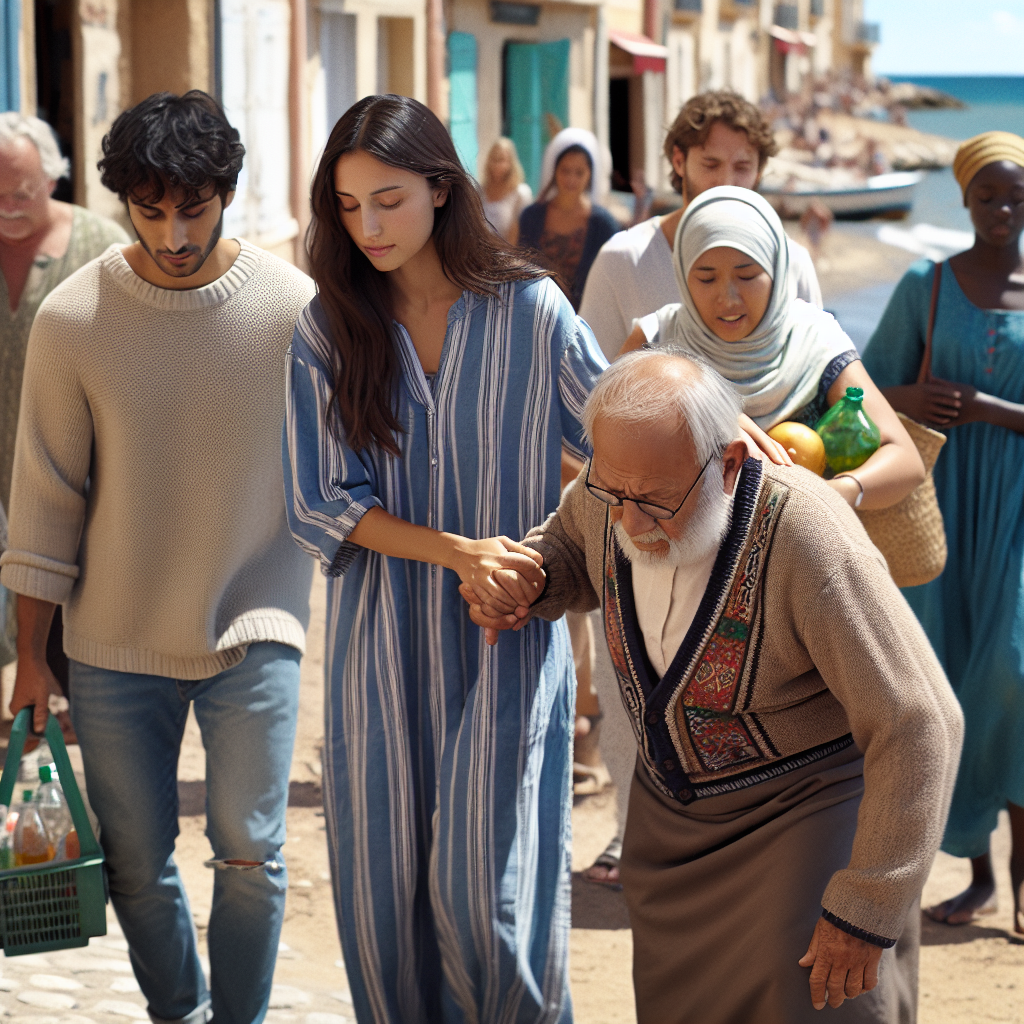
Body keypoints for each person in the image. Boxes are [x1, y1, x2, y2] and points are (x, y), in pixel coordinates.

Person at [463, 350, 963, 1023]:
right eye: (614, 492)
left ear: (729, 463)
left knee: (812, 1000)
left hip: (804, 815)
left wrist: (869, 904)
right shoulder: (610, 493)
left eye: (656, 502)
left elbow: (920, 719)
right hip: (671, 826)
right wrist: (529, 581)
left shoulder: (808, 534)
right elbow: (569, 549)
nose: (631, 522)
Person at [283, 94, 607, 1023]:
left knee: (488, 896)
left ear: (438, 186)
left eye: (387, 199)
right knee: (385, 904)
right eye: (348, 207)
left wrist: (724, 431)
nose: (369, 226)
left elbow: (618, 434)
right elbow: (317, 499)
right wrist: (456, 551)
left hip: (507, 640)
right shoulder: (326, 329)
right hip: (380, 652)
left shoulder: (532, 310)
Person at [0, 91, 315, 1024]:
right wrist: (30, 658)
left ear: (227, 194)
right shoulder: (75, 318)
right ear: (123, 203)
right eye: (151, 209)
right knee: (134, 864)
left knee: (251, 856)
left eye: (195, 207)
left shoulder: (293, 310)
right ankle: (180, 1012)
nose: (175, 232)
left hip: (256, 626)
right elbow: (45, 503)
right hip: (109, 640)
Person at [585, 184, 924, 887]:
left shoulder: (816, 340)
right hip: (668, 592)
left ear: (779, 268)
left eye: (747, 275)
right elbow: (599, 452)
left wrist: (832, 498)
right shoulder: (656, 340)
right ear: (682, 273)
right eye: (706, 276)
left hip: (791, 604)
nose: (728, 298)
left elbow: (903, 456)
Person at [862, 131, 1024, 935]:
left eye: (1016, 196)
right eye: (988, 195)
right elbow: (856, 391)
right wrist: (912, 400)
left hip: (1019, 509)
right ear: (962, 199)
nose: (1003, 209)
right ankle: (981, 874)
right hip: (939, 506)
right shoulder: (927, 285)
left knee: (1013, 670)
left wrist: (992, 410)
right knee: (950, 678)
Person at [0, 113, 130, 689]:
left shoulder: (102, 246)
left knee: (73, 573)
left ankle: (73, 697)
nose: (7, 205)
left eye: (21, 191)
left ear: (53, 178)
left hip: (77, 454)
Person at [579, 90, 822, 360]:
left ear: (759, 172)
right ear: (679, 161)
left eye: (742, 167)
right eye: (711, 164)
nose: (726, 181)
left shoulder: (792, 262)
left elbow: (817, 373)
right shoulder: (623, 260)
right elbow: (591, 386)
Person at [518, 128, 620, 310]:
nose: (571, 179)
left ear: (590, 175)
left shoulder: (604, 225)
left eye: (579, 172)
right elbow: (519, 269)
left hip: (587, 320)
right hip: (534, 314)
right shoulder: (530, 217)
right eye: (565, 170)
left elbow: (614, 280)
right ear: (554, 170)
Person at [479, 137, 532, 244]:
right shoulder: (479, 191)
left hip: (508, 254)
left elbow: (521, 233)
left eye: (502, 160)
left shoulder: (521, 194)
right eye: (494, 159)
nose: (497, 165)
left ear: (511, 163)